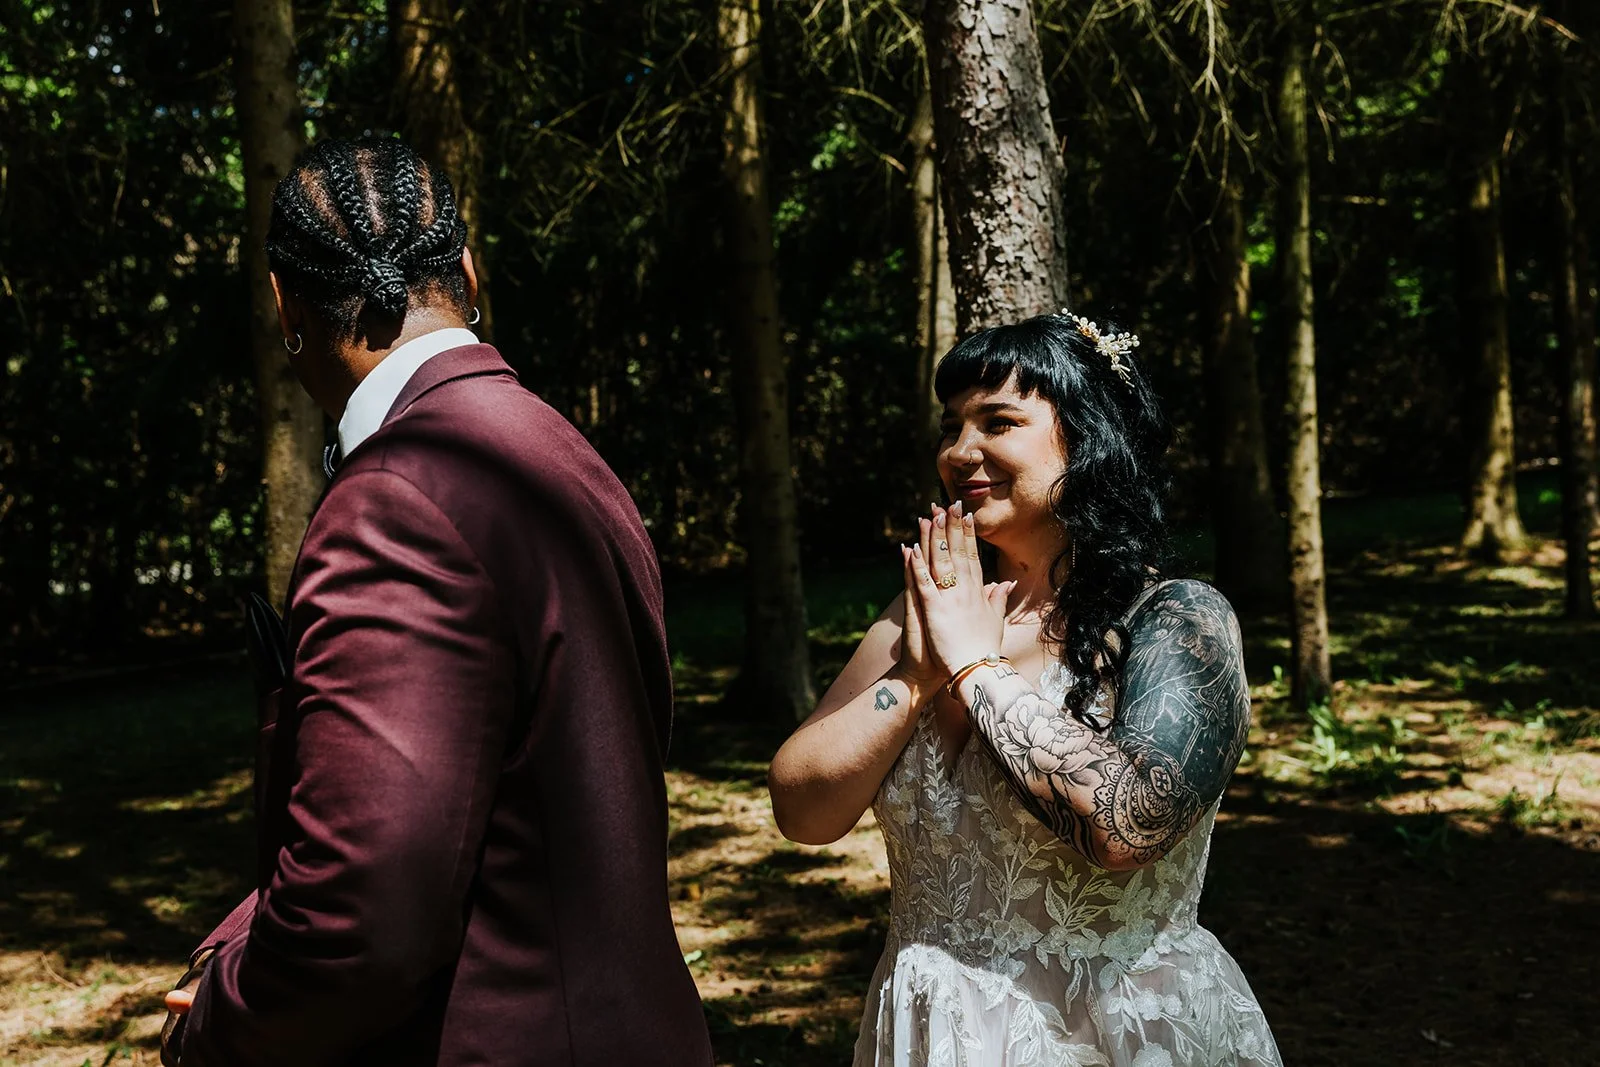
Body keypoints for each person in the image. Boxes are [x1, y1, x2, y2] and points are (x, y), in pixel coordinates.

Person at [161, 137, 712, 1066]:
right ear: (467, 266)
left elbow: (362, 923)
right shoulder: (564, 452)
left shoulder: (395, 499)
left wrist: (214, 1015)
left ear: (284, 304)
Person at [769, 313, 1281, 1066]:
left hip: (1115, 1033)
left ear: (1087, 435)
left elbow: (1129, 825)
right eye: (952, 426)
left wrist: (977, 670)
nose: (959, 451)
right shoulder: (920, 615)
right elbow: (802, 808)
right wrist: (918, 673)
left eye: (998, 421)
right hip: (935, 1032)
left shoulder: (1177, 618)